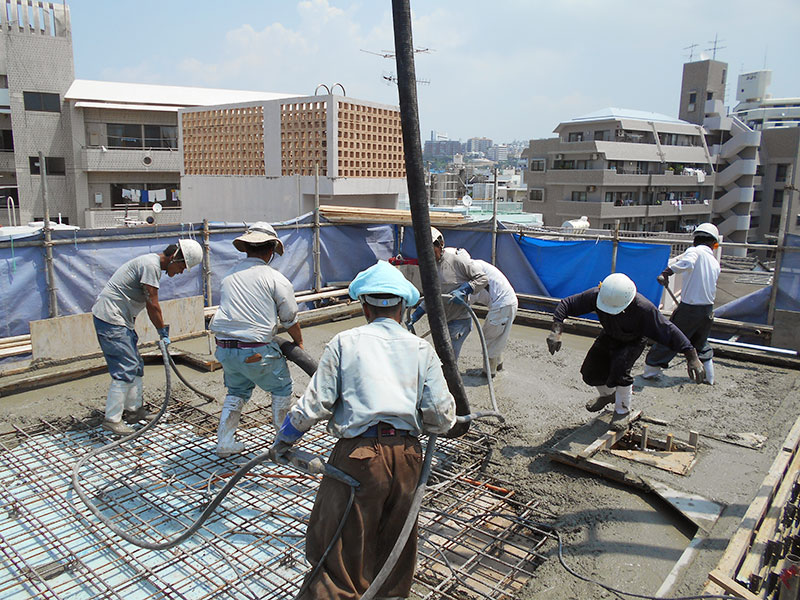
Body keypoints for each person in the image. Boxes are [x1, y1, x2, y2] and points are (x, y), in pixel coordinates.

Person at [269, 260, 456, 599]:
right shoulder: (421, 348)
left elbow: (314, 405)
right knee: (394, 554)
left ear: (365, 306)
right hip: (409, 460)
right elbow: (443, 417)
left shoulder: (345, 342)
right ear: (403, 307)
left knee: (340, 555)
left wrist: (284, 439)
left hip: (358, 457)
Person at [546, 272, 705, 431]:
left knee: (620, 369)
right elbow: (567, 304)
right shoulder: (598, 295)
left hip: (633, 340)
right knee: (590, 371)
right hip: (609, 334)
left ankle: (622, 411)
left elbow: (668, 329)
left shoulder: (644, 309)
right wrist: (556, 330)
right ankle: (608, 395)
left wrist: (691, 354)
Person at [209, 222, 303, 458]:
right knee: (281, 388)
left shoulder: (230, 276)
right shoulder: (275, 278)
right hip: (256, 351)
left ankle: (225, 441)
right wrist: (299, 346)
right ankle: (282, 443)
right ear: (271, 250)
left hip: (224, 348)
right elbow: (290, 318)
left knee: (237, 391)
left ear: (246, 248)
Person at [92, 239, 203, 435]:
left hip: (121, 320)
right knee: (125, 367)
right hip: (111, 320)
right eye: (182, 266)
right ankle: (112, 419)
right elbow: (153, 304)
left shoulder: (152, 265)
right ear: (174, 257)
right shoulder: (150, 265)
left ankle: (134, 411)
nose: (181, 271)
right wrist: (162, 331)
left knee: (136, 365)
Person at [643, 223, 721, 384]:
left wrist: (666, 272)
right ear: (712, 243)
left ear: (695, 240)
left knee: (670, 338)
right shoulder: (713, 262)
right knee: (700, 343)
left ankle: (650, 371)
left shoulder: (694, 252)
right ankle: (709, 377)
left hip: (690, 309)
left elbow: (687, 263)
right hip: (707, 310)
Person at [405, 227, 488, 360]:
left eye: (432, 250)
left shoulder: (457, 260)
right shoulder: (429, 267)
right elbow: (431, 296)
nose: (429, 256)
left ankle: (451, 380)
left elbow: (482, 278)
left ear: (441, 244)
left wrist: (465, 289)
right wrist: (416, 315)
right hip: (443, 320)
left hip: (459, 320)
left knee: (448, 359)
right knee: (441, 356)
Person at [468, 259, 518, 377]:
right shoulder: (476, 268)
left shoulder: (474, 269)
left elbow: (469, 297)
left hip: (503, 305)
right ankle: (498, 365)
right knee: (498, 336)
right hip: (508, 302)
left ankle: (489, 374)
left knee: (490, 338)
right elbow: (470, 299)